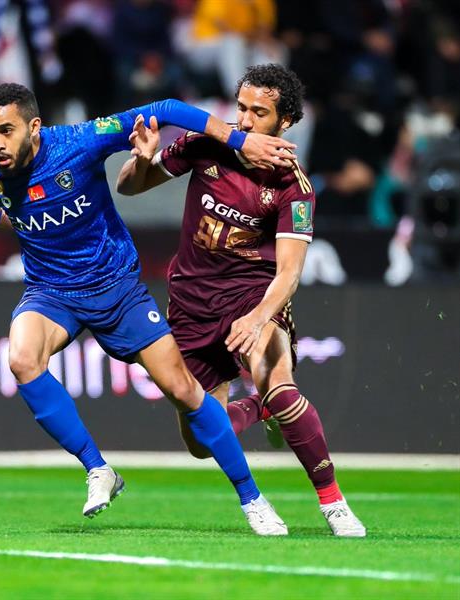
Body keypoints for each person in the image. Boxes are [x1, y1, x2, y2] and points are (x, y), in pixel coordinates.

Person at [0, 83, 296, 533]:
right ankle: (98, 469)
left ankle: (253, 498)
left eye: (5, 131)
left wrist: (238, 139)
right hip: (51, 292)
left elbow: (166, 108)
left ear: (34, 127)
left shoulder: (81, 141)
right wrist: (6, 215)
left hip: (117, 290)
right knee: (22, 359)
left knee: (185, 391)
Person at [116, 64, 367, 537]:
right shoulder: (208, 143)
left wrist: (256, 318)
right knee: (200, 442)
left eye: (260, 112)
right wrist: (143, 160)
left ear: (286, 121)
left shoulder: (293, 187)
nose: (246, 121)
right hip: (190, 303)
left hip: (253, 296)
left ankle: (333, 503)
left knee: (278, 383)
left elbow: (289, 273)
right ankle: (258, 409)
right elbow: (128, 186)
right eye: (242, 108)